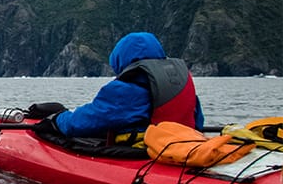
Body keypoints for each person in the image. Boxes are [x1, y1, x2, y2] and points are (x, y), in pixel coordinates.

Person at [42, 32, 204, 142]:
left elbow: (84, 121)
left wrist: (56, 119)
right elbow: (198, 122)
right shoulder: (180, 83)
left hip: (145, 153)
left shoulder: (126, 88)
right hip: (183, 146)